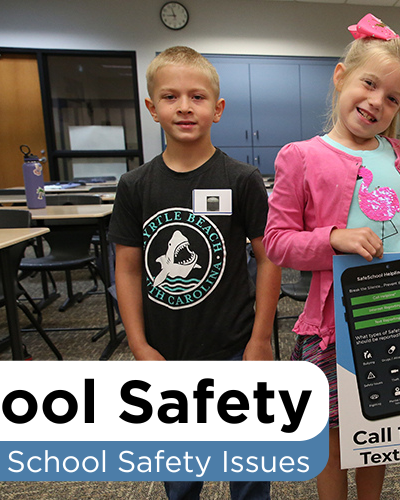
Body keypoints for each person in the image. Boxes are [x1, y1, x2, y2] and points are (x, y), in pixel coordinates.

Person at [263, 14, 400, 500]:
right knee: (330, 431)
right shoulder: (301, 156)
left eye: (393, 98)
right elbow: (277, 242)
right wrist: (333, 238)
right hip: (334, 321)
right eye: (369, 84)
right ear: (341, 76)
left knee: (378, 429)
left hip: (394, 313)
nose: (376, 102)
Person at [108, 46, 280, 500]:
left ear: (217, 109)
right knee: (181, 476)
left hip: (235, 347)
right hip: (167, 354)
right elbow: (127, 268)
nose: (184, 107)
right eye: (171, 97)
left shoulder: (242, 179)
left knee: (249, 469)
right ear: (152, 108)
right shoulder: (135, 186)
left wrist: (260, 340)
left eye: (197, 97)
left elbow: (269, 258)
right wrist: (139, 345)